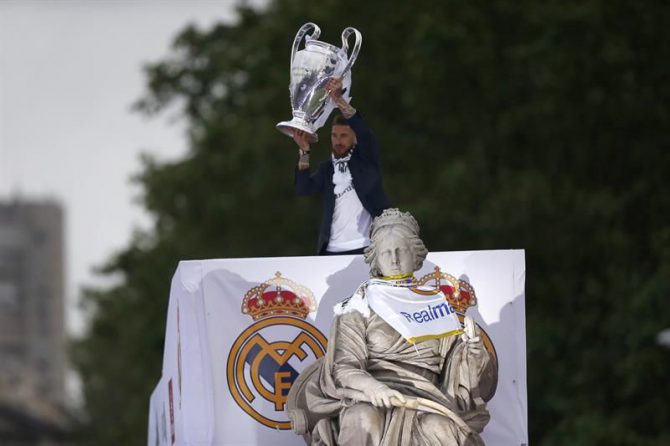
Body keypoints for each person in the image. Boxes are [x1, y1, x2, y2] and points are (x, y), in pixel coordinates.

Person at [286, 209, 496, 445]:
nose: (394, 259)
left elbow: (459, 374)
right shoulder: (358, 306)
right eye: (386, 252)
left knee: (440, 428)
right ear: (375, 258)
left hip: (428, 399)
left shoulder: (436, 305)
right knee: (362, 418)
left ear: (415, 254)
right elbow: (344, 368)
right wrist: (375, 389)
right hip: (371, 396)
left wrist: (474, 352)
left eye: (401, 251)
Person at [292, 77, 390, 255]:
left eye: (344, 136)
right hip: (331, 250)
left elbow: (364, 132)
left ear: (354, 138)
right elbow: (303, 189)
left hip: (368, 248)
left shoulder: (366, 160)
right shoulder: (327, 169)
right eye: (334, 135)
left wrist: (339, 100)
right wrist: (304, 151)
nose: (338, 141)